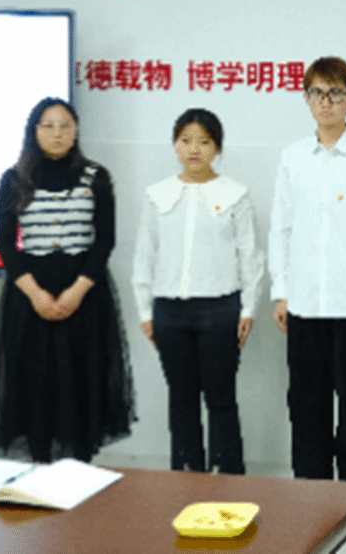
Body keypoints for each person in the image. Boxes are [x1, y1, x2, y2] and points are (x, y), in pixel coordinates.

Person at [269, 56, 346, 521]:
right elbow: (281, 227)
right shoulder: (293, 157)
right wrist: (281, 291)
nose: (326, 103)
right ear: (306, 99)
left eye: (336, 93)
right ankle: (312, 503)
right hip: (303, 303)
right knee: (307, 408)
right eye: (318, 94)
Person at [0, 96, 134, 462]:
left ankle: (78, 469)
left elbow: (105, 240)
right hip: (31, 295)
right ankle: (39, 467)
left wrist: (77, 291)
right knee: (36, 383)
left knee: (82, 379)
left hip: (84, 293)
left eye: (65, 125)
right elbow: (4, 242)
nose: (57, 133)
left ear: (76, 131)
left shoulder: (96, 177)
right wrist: (35, 294)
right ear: (34, 131)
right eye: (48, 126)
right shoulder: (15, 179)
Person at [131, 108, 263, 474]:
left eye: (204, 142)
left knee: (221, 399)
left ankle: (228, 477)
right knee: (182, 399)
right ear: (175, 145)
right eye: (186, 140)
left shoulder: (235, 194)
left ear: (217, 147)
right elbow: (145, 255)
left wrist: (248, 308)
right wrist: (145, 311)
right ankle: (187, 477)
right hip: (169, 312)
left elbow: (250, 255)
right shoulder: (158, 195)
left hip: (220, 310)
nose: (194, 149)